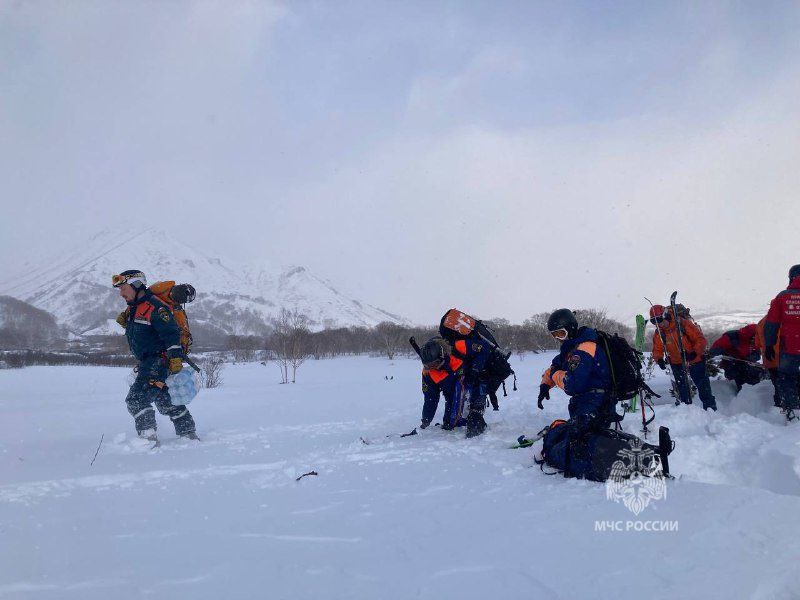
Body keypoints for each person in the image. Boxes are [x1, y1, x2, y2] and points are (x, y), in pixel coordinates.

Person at [113, 270, 198, 442]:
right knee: (165, 400)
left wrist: (174, 359)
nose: (121, 293)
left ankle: (147, 440)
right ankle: (188, 433)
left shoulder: (156, 308)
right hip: (150, 361)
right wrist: (128, 324)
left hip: (158, 362)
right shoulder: (134, 307)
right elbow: (146, 333)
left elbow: (171, 334)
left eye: (124, 288)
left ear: (137, 285)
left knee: (136, 400)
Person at [536, 309, 614, 433]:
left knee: (579, 441)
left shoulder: (585, 348)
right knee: (576, 439)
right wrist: (545, 385)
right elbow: (556, 366)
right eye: (554, 335)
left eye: (561, 333)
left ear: (570, 328)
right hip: (586, 401)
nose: (558, 338)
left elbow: (572, 384)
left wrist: (554, 374)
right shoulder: (572, 347)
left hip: (596, 403)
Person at [418, 335, 491, 438]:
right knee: (450, 425)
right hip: (452, 395)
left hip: (475, 384)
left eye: (434, 364)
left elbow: (485, 347)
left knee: (474, 422)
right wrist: (425, 421)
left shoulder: (459, 346)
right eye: (427, 365)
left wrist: (475, 369)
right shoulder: (428, 373)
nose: (431, 368)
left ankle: (476, 414)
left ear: (442, 355)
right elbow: (430, 398)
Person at [650, 304, 717, 410]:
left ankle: (711, 410)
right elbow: (657, 349)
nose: (658, 324)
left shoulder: (682, 323)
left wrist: (695, 353)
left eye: (659, 320)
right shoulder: (659, 332)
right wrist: (659, 359)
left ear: (665, 315)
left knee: (703, 387)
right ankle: (686, 412)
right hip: (676, 363)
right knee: (682, 390)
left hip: (694, 360)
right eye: (654, 322)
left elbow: (700, 339)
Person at [763, 264, 800, 420]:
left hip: (789, 348)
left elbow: (771, 324)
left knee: (787, 378)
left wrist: (770, 345)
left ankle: (793, 412)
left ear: (791, 277)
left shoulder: (782, 297)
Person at [708, 324, 763, 393]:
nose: (755, 341)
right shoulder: (732, 337)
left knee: (753, 373)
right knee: (738, 374)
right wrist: (726, 354)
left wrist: (750, 358)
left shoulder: (756, 341)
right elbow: (714, 350)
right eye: (755, 338)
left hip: (746, 363)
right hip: (732, 364)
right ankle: (742, 394)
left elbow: (757, 354)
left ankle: (753, 392)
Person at [756, 316, 781, 407]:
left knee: (778, 384)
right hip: (784, 358)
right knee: (789, 383)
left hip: (769, 359)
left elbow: (757, 343)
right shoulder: (785, 320)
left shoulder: (761, 322)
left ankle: (779, 406)